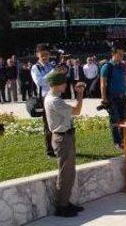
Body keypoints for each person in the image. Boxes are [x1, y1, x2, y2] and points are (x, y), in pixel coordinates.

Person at [44, 72, 86, 218]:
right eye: (63, 83)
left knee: (69, 172)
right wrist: (80, 94)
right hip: (62, 139)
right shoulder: (54, 101)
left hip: (65, 137)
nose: (66, 85)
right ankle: (61, 207)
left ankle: (65, 203)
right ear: (56, 84)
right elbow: (77, 111)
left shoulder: (54, 98)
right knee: (65, 173)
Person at [100, 45, 126, 149]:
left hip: (122, 97)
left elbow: (125, 80)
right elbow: (103, 84)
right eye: (119, 54)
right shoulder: (107, 66)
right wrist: (104, 98)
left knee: (123, 119)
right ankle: (117, 141)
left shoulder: (122, 65)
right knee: (114, 119)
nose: (122, 56)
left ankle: (123, 139)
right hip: (112, 98)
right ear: (113, 54)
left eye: (123, 54)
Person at [31, 44, 58, 157]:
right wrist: (53, 72)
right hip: (45, 98)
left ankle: (57, 146)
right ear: (37, 55)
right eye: (42, 55)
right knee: (48, 124)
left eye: (47, 55)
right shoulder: (35, 67)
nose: (45, 57)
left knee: (57, 123)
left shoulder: (51, 65)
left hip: (55, 96)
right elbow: (40, 82)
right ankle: (49, 150)